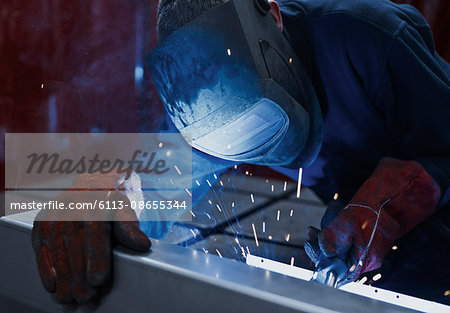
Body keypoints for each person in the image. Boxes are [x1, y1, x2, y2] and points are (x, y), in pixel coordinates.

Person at [31, 0, 450, 305]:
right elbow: (157, 182)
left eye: (258, 121)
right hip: (346, 216)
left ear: (274, 18)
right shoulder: (203, 99)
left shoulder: (371, 38)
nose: (258, 150)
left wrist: (396, 199)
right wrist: (104, 196)